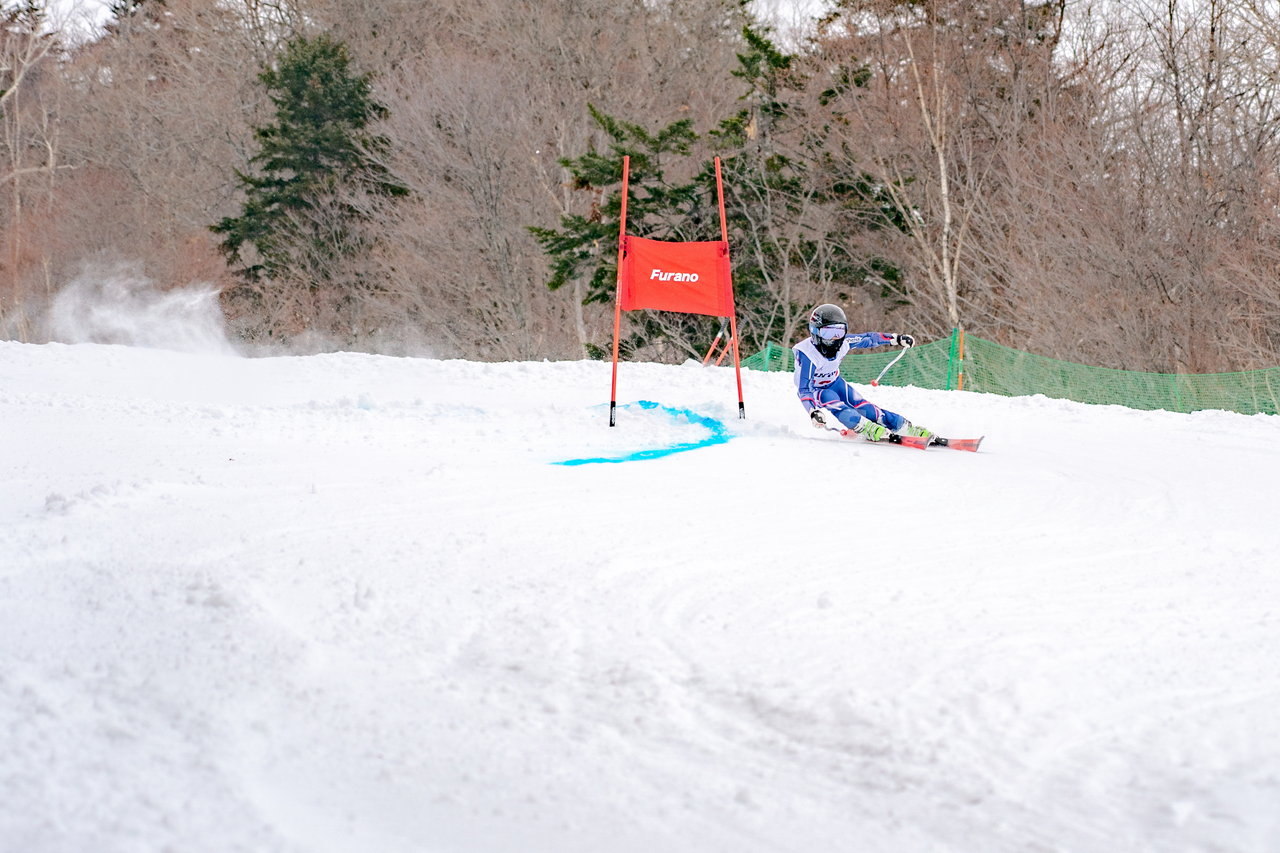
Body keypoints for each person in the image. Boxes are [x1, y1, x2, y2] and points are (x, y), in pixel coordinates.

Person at [793, 303, 932, 442]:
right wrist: (813, 411)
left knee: (866, 407)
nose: (834, 338)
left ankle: (903, 426)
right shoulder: (808, 354)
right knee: (834, 402)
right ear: (815, 332)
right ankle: (865, 427)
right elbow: (804, 389)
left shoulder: (844, 342)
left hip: (835, 382)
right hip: (816, 389)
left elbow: (868, 338)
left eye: (839, 332)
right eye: (828, 333)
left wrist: (896, 338)